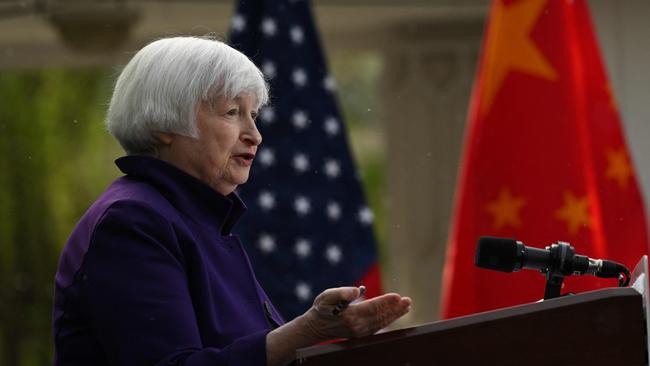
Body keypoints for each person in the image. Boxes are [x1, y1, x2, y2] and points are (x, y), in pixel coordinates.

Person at [52, 36, 411, 366]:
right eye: (231, 113)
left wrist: (322, 332)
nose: (255, 135)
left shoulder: (193, 218)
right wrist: (307, 330)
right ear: (163, 122)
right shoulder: (133, 222)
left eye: (253, 115)